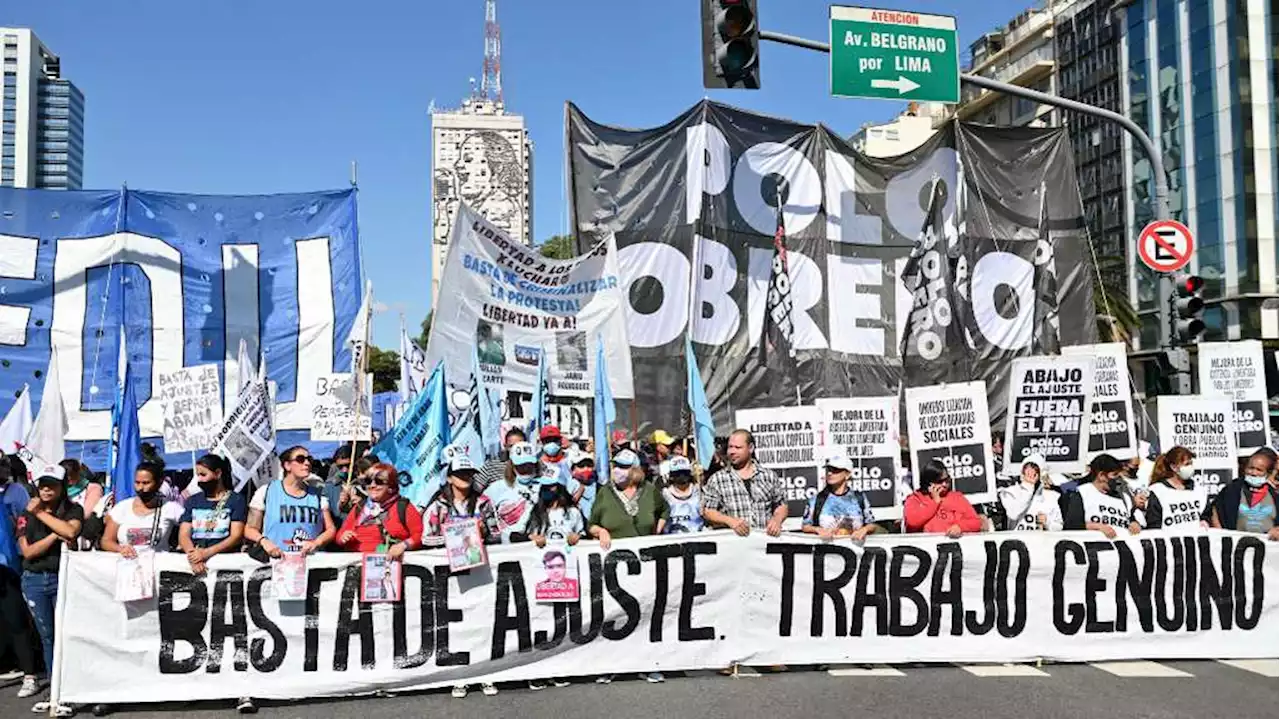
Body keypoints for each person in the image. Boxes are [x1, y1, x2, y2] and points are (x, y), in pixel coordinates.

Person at [587, 450, 668, 684]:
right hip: (614, 566)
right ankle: (609, 664)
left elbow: (664, 511)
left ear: (635, 470)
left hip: (645, 564)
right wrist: (601, 531)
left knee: (645, 613)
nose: (617, 471)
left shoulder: (650, 491)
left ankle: (646, 664)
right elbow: (591, 524)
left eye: (623, 466)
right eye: (615, 466)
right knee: (613, 615)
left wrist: (657, 530)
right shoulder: (605, 493)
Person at [17, 467, 81, 713]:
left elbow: (72, 530)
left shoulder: (72, 509)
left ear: (62, 487)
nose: (45, 489)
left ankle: (71, 685)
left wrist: (42, 514)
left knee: (67, 633)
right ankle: (57, 686)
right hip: (34, 579)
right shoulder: (26, 513)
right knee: (48, 635)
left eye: (51, 485)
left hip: (61, 577)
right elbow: (29, 551)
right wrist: (56, 535)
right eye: (42, 484)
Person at [0, 461, 44, 701]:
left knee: (17, 621)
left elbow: (24, 524)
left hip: (8, 567)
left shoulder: (15, 492)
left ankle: (30, 674)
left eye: (4, 465)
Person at [245, 446, 336, 558]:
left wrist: (317, 542)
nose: (307, 463)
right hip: (276, 561)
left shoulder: (318, 495)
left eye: (309, 459)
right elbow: (250, 529)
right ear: (287, 465)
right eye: (300, 459)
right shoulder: (266, 492)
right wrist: (264, 542)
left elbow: (331, 529)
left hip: (310, 562)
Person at [701, 430, 787, 537]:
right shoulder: (717, 479)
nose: (732, 452)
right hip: (734, 544)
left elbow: (781, 505)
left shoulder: (769, 476)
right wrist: (730, 521)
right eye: (730, 447)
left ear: (750, 448)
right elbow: (708, 511)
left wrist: (777, 520)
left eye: (737, 448)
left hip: (764, 544)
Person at [177, 454, 247, 575]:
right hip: (196, 563)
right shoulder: (192, 501)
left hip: (225, 566)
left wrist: (207, 553)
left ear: (218, 473)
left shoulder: (236, 500)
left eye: (203, 475)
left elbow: (236, 536)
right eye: (198, 475)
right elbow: (183, 534)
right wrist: (193, 556)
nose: (200, 480)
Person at [336, 463, 423, 554]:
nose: (372, 485)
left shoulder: (403, 507)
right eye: (368, 481)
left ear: (391, 487)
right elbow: (340, 535)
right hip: (357, 564)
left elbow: (419, 535)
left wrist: (404, 545)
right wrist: (343, 537)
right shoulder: (360, 507)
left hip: (390, 564)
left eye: (379, 481)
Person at [102, 462, 185, 556]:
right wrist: (120, 549)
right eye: (137, 483)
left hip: (158, 565)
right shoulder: (121, 508)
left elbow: (189, 529)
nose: (140, 488)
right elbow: (106, 541)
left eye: (146, 483)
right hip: (127, 564)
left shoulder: (171, 508)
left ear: (159, 483)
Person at [422, 456, 501, 549]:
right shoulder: (438, 506)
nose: (465, 476)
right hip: (448, 560)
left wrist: (484, 531)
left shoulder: (483, 503)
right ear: (449, 478)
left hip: (480, 556)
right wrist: (453, 536)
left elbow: (496, 534)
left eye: (469, 473)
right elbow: (426, 539)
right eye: (460, 473)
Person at [802, 454, 883, 540]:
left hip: (855, 549)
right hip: (826, 549)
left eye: (836, 470)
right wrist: (818, 530)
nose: (830, 473)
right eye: (829, 469)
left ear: (847, 474)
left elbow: (872, 524)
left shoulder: (859, 497)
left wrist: (864, 530)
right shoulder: (817, 499)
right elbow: (805, 526)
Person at [1062, 453, 1141, 537]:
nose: (1118, 480)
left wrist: (1134, 524)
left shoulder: (1124, 498)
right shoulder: (1082, 493)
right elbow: (1071, 526)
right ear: (1101, 475)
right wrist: (1097, 527)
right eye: (1114, 475)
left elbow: (1131, 519)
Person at [1210, 447, 1280, 539]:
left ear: (1267, 473)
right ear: (1245, 469)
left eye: (1259, 470)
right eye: (1251, 468)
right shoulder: (1232, 490)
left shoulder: (1275, 496)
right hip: (1235, 548)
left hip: (1267, 549)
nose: (1254, 473)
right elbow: (1214, 510)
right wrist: (1221, 535)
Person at [482, 441, 541, 543]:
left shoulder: (544, 486)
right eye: (520, 465)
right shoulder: (496, 488)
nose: (525, 468)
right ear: (512, 465)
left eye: (529, 464)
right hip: (507, 549)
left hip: (537, 546)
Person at [903, 462, 982, 536]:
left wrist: (960, 527)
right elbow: (912, 522)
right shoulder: (914, 499)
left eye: (947, 479)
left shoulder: (957, 497)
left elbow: (975, 522)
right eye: (939, 481)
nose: (944, 484)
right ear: (928, 483)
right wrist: (934, 503)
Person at [1144, 446, 1208, 530]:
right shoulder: (1158, 491)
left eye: (1191, 463)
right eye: (1186, 464)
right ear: (1173, 467)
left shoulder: (1198, 490)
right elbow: (1154, 525)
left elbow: (1206, 514)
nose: (1190, 467)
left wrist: (1204, 521)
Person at [997, 455, 1063, 531]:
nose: (1031, 473)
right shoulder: (1009, 492)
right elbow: (1014, 514)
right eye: (1027, 469)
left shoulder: (1051, 496)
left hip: (1040, 541)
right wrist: (1028, 486)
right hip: (1016, 541)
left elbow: (1059, 527)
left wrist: (1047, 522)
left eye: (1035, 470)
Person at [662, 456, 704, 534]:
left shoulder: (699, 492)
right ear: (671, 475)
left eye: (684, 473)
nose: (681, 476)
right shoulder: (665, 494)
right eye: (677, 473)